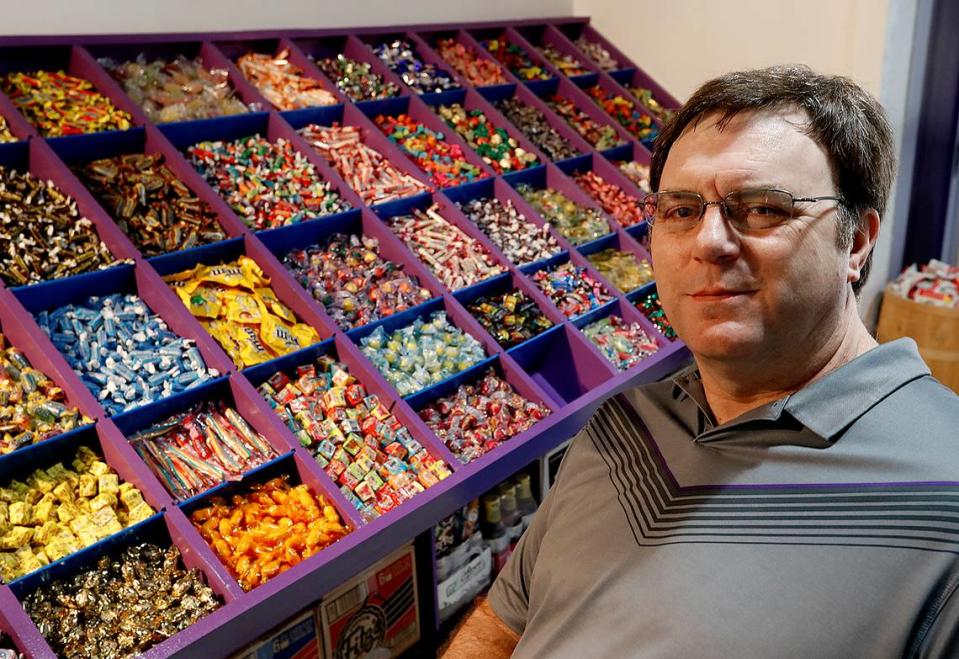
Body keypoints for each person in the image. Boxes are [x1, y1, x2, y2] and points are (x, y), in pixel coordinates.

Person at [441, 64, 959, 658]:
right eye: (681, 211)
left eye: (764, 208)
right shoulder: (623, 426)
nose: (709, 242)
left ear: (857, 241)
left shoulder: (943, 494)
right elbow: (509, 619)